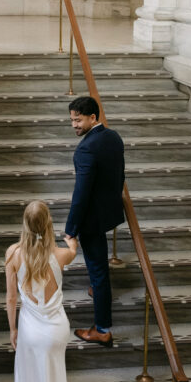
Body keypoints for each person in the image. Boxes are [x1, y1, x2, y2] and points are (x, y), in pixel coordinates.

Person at [5, 199, 78, 382]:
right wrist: (71, 241)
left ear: (25, 224)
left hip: (32, 333)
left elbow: (12, 299)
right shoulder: (61, 255)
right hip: (57, 330)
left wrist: (13, 330)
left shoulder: (13, 254)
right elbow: (73, 250)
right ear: (48, 225)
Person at [65, 95, 125, 347]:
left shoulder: (86, 148)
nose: (74, 125)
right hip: (108, 213)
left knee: (99, 273)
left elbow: (82, 193)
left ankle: (102, 329)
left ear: (93, 117)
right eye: (71, 120)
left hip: (91, 220)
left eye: (78, 120)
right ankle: (96, 290)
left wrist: (71, 229)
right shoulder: (113, 137)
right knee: (98, 272)